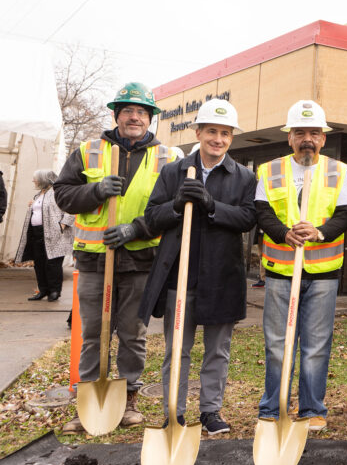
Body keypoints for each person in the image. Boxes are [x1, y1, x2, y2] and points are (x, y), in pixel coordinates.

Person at [53, 82, 177, 432]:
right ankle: (88, 402)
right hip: (95, 259)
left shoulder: (167, 158)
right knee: (94, 333)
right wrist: (94, 190)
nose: (134, 117)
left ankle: (129, 399)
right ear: (116, 115)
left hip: (141, 260)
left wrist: (136, 228)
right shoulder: (88, 151)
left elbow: (173, 207)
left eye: (141, 111)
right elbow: (62, 194)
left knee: (133, 334)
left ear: (150, 117)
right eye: (127, 110)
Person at [137, 100, 256, 433]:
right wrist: (176, 205)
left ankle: (210, 412)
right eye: (212, 131)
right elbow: (151, 217)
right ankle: (173, 410)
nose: (218, 139)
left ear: (231, 137)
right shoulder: (174, 171)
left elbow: (248, 218)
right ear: (198, 132)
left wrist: (211, 204)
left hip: (222, 277)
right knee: (177, 348)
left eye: (225, 133)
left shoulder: (243, 176)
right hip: (180, 275)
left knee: (217, 349)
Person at [255, 100, 347, 432]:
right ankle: (273, 407)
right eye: (300, 132)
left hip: (323, 273)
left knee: (315, 344)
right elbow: (262, 212)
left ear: (323, 138)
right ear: (289, 137)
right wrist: (285, 233)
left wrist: (319, 232)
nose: (307, 139)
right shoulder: (270, 170)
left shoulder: (338, 171)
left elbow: (344, 215)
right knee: (277, 342)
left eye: (314, 132)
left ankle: (312, 409)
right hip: (281, 271)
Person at [16, 170, 74, 301]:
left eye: (35, 178)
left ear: (43, 179)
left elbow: (71, 208)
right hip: (37, 233)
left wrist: (63, 225)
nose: (33, 181)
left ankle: (54, 291)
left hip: (54, 234)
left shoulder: (57, 193)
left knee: (52, 264)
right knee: (39, 263)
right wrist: (31, 206)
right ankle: (43, 290)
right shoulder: (38, 195)